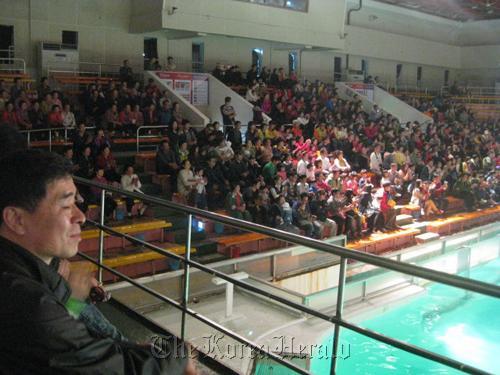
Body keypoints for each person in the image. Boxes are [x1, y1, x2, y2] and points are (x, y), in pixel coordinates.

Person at [0, 150, 193, 374]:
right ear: (16, 219)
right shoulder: (28, 305)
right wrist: (178, 353)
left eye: (76, 202)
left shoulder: (38, 274)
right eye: (66, 206)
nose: (80, 216)